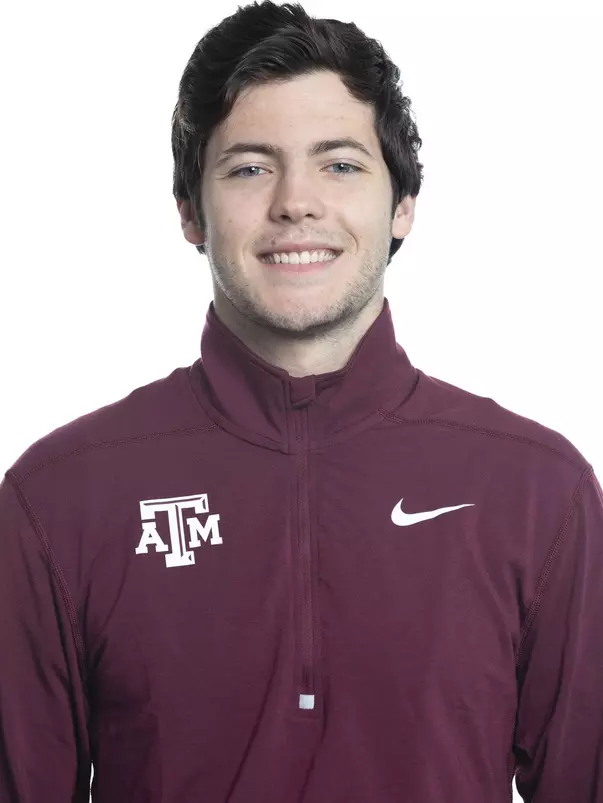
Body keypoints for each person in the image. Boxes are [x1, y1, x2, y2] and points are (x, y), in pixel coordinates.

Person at [1, 2, 601, 801]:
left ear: (402, 206)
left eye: (340, 164)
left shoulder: (536, 489)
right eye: (249, 166)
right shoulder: (59, 496)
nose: (296, 202)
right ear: (189, 211)